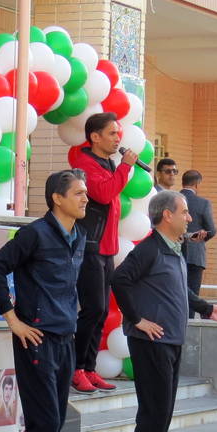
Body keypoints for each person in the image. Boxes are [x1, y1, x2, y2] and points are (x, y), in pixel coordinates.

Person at [110, 190, 217, 432]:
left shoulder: (174, 250)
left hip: (171, 340)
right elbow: (119, 280)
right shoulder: (149, 249)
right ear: (167, 215)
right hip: (151, 342)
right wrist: (136, 319)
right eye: (184, 212)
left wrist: (207, 308)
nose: (189, 218)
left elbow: (179, 290)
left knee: (164, 410)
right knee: (154, 410)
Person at [0, 169, 89, 432]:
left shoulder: (79, 235)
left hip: (65, 338)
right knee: (44, 420)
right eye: (78, 193)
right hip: (36, 339)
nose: (85, 198)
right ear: (57, 198)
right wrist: (13, 320)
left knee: (55, 422)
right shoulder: (35, 234)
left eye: (85, 193)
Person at [69, 112, 135, 393]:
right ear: (95, 137)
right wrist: (125, 167)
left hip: (106, 249)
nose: (118, 138)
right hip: (90, 247)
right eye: (112, 133)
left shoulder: (107, 162)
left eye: (118, 133)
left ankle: (89, 367)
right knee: (93, 309)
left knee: (101, 311)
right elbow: (104, 194)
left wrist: (120, 168)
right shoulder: (84, 164)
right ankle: (76, 369)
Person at [180, 169, 216, 301]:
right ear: (197, 184)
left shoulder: (172, 199)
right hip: (195, 256)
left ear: (183, 182)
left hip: (173, 254)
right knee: (192, 298)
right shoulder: (203, 203)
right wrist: (199, 238)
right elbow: (212, 230)